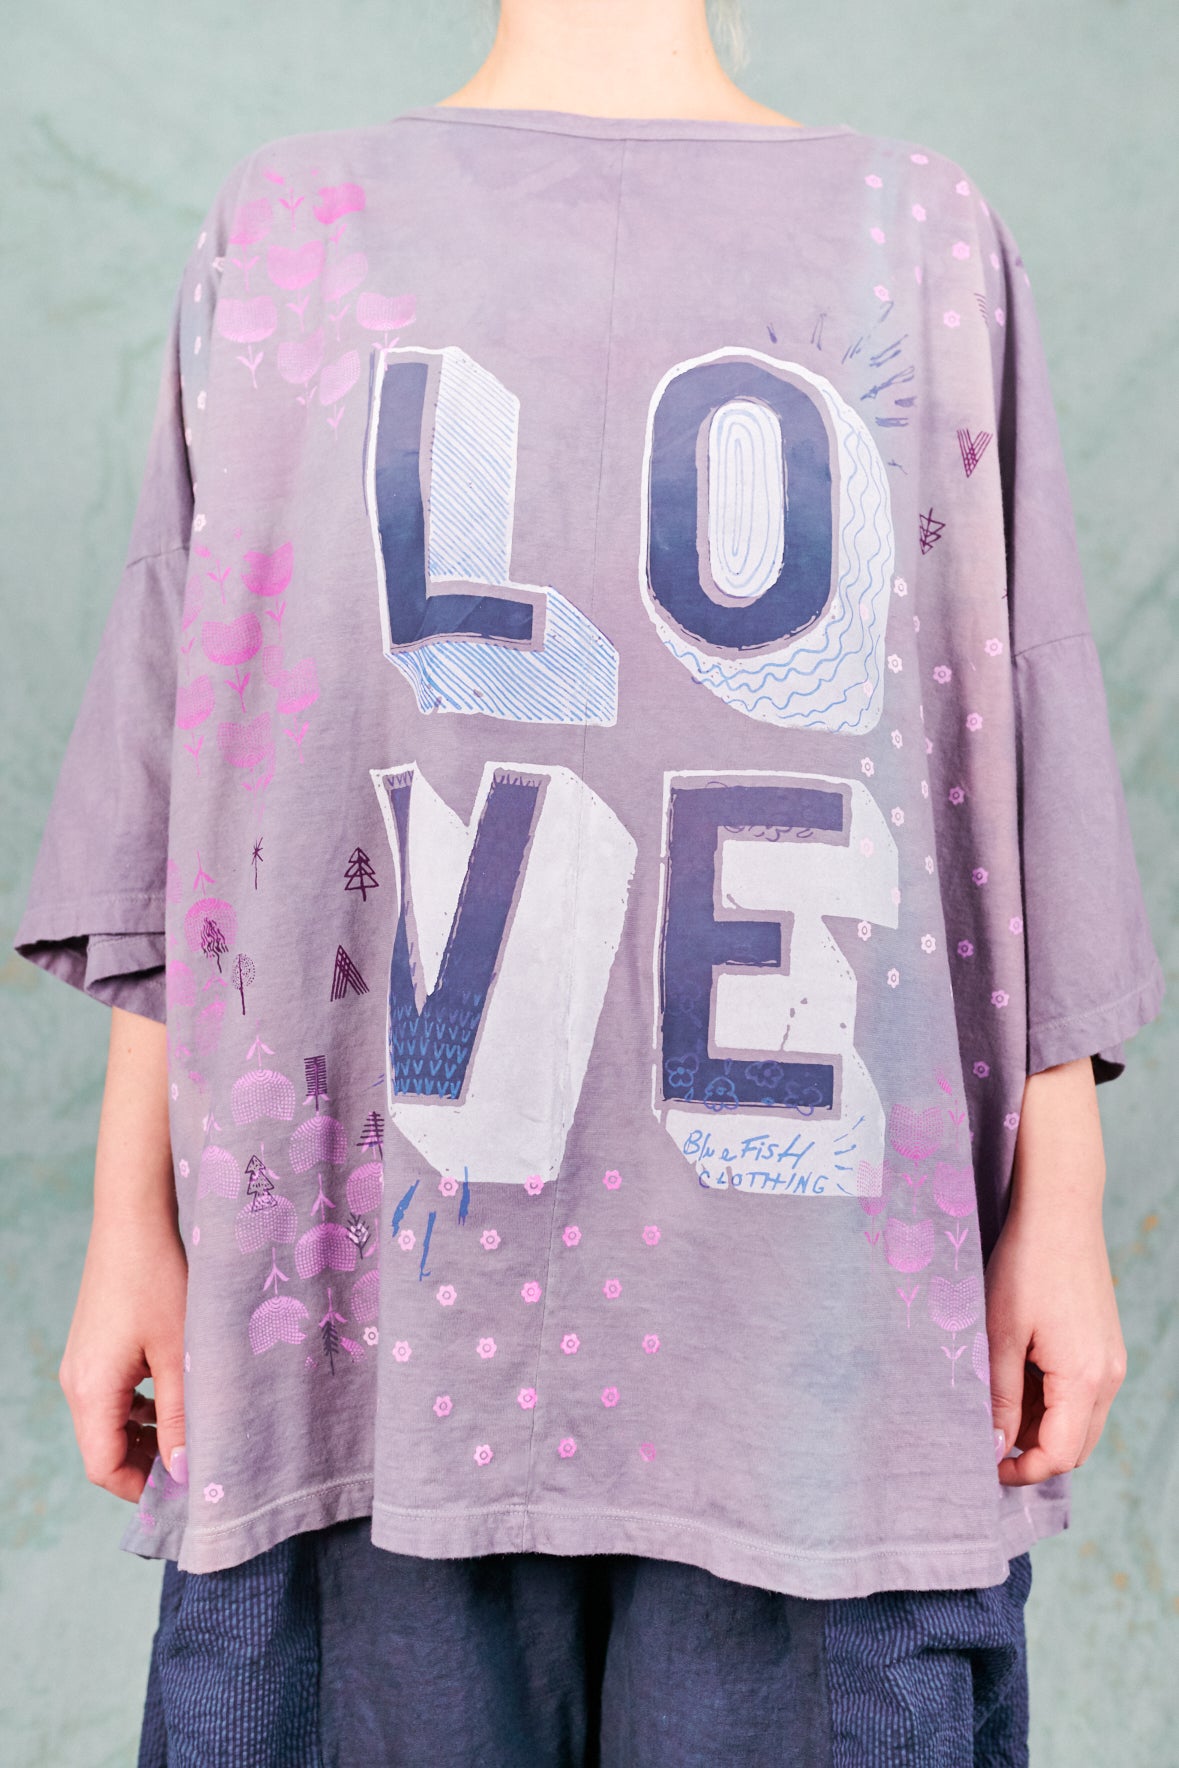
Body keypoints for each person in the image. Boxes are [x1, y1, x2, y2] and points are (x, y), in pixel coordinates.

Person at [12, 0, 1165, 1761]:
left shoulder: (920, 231)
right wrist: (130, 1227)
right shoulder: (291, 228)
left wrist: (1060, 1205)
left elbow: (1005, 736)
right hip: (362, 1347)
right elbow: (207, 779)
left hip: (817, 1358)